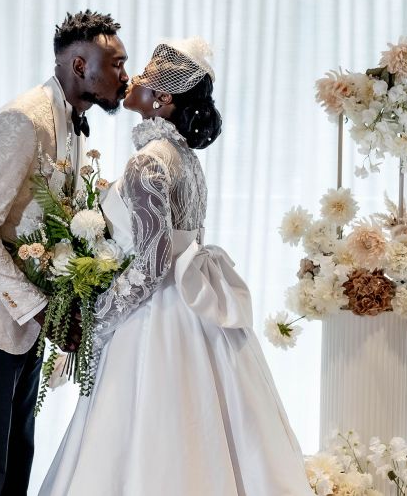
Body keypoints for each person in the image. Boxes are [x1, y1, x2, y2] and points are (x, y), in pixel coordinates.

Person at [40, 37, 313, 495]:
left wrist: (97, 320)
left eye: (143, 76)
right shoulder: (184, 158)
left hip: (156, 316)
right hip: (195, 314)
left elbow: (151, 263)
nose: (132, 80)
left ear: (162, 100)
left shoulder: (148, 162)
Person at [0, 10, 129, 496]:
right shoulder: (24, 119)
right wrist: (40, 308)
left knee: (17, 461)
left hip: (26, 317)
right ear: (80, 66)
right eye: (116, 64)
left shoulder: (75, 123)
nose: (126, 76)